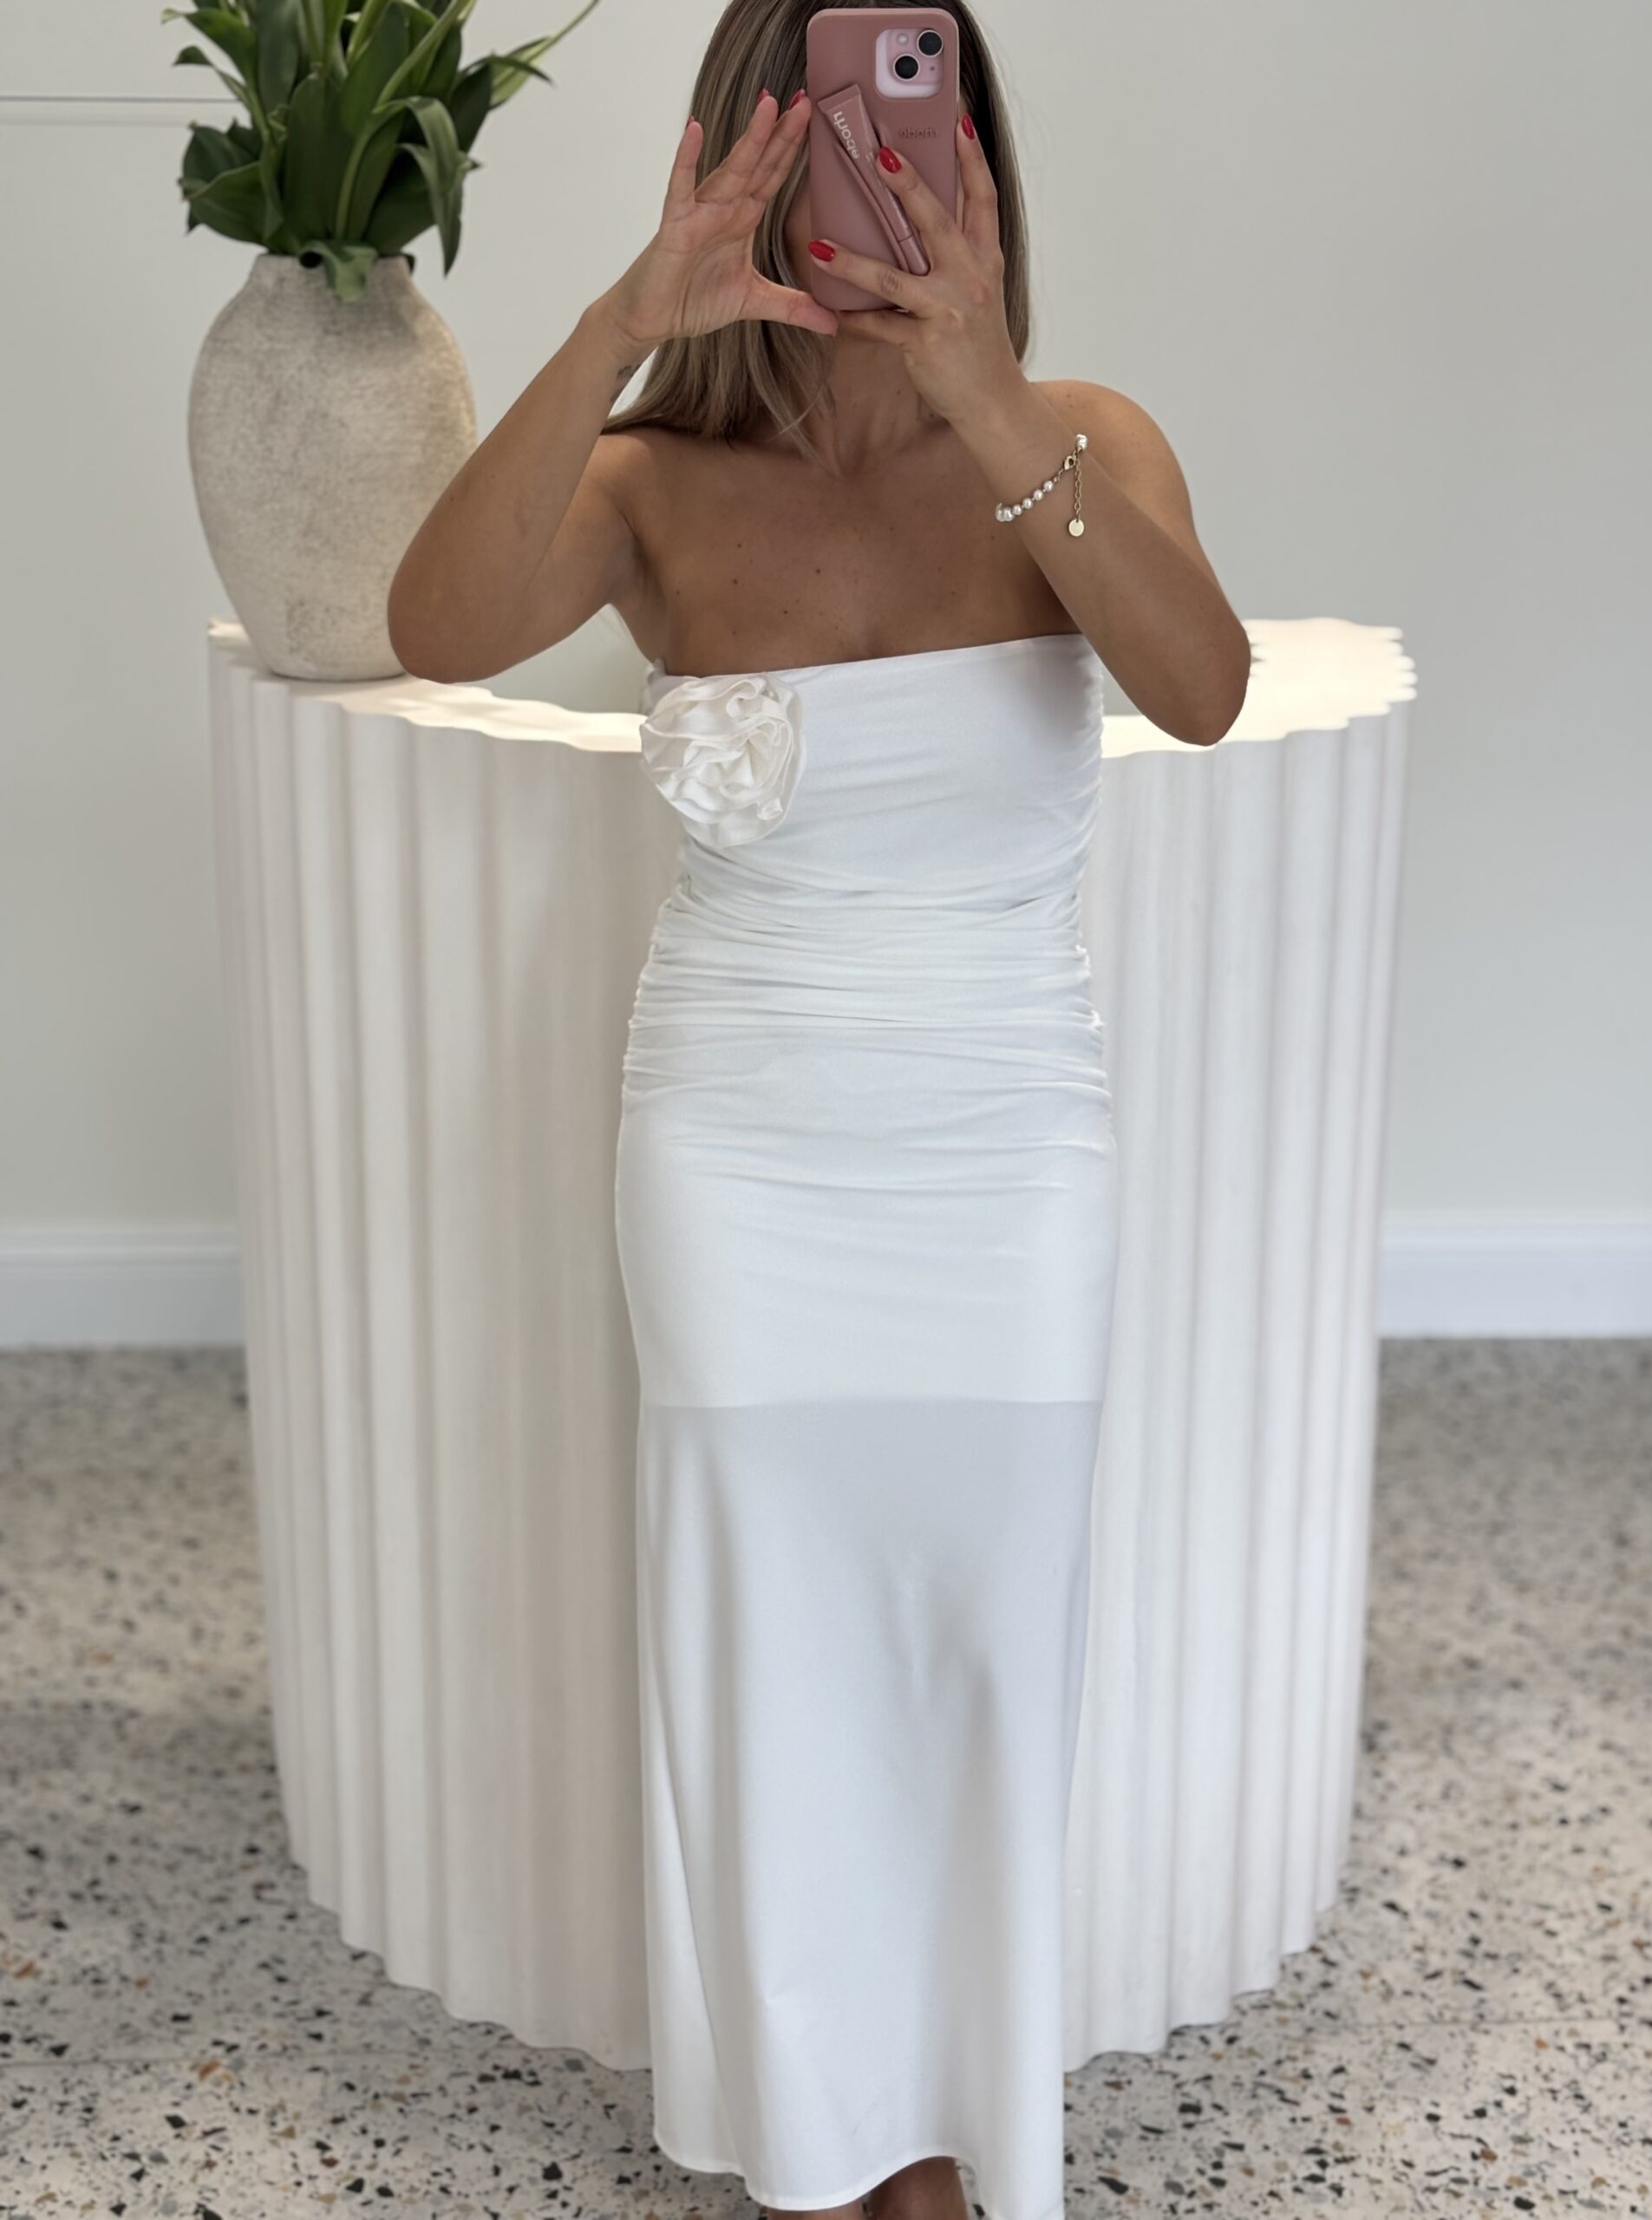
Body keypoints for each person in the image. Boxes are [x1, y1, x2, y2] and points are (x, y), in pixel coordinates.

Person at [389, 7, 1249, 2220]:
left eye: (925, 105)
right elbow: (433, 623)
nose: (891, 152)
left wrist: (987, 397)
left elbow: (1203, 686)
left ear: (980, 157)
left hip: (1007, 1148)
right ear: (743, 153)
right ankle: (815, 2148)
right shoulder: (652, 484)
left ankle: (952, 2134)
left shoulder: (1083, 441)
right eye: (843, 112)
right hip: (740, 1155)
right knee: (774, 1655)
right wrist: (624, 317)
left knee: (983, 1647)